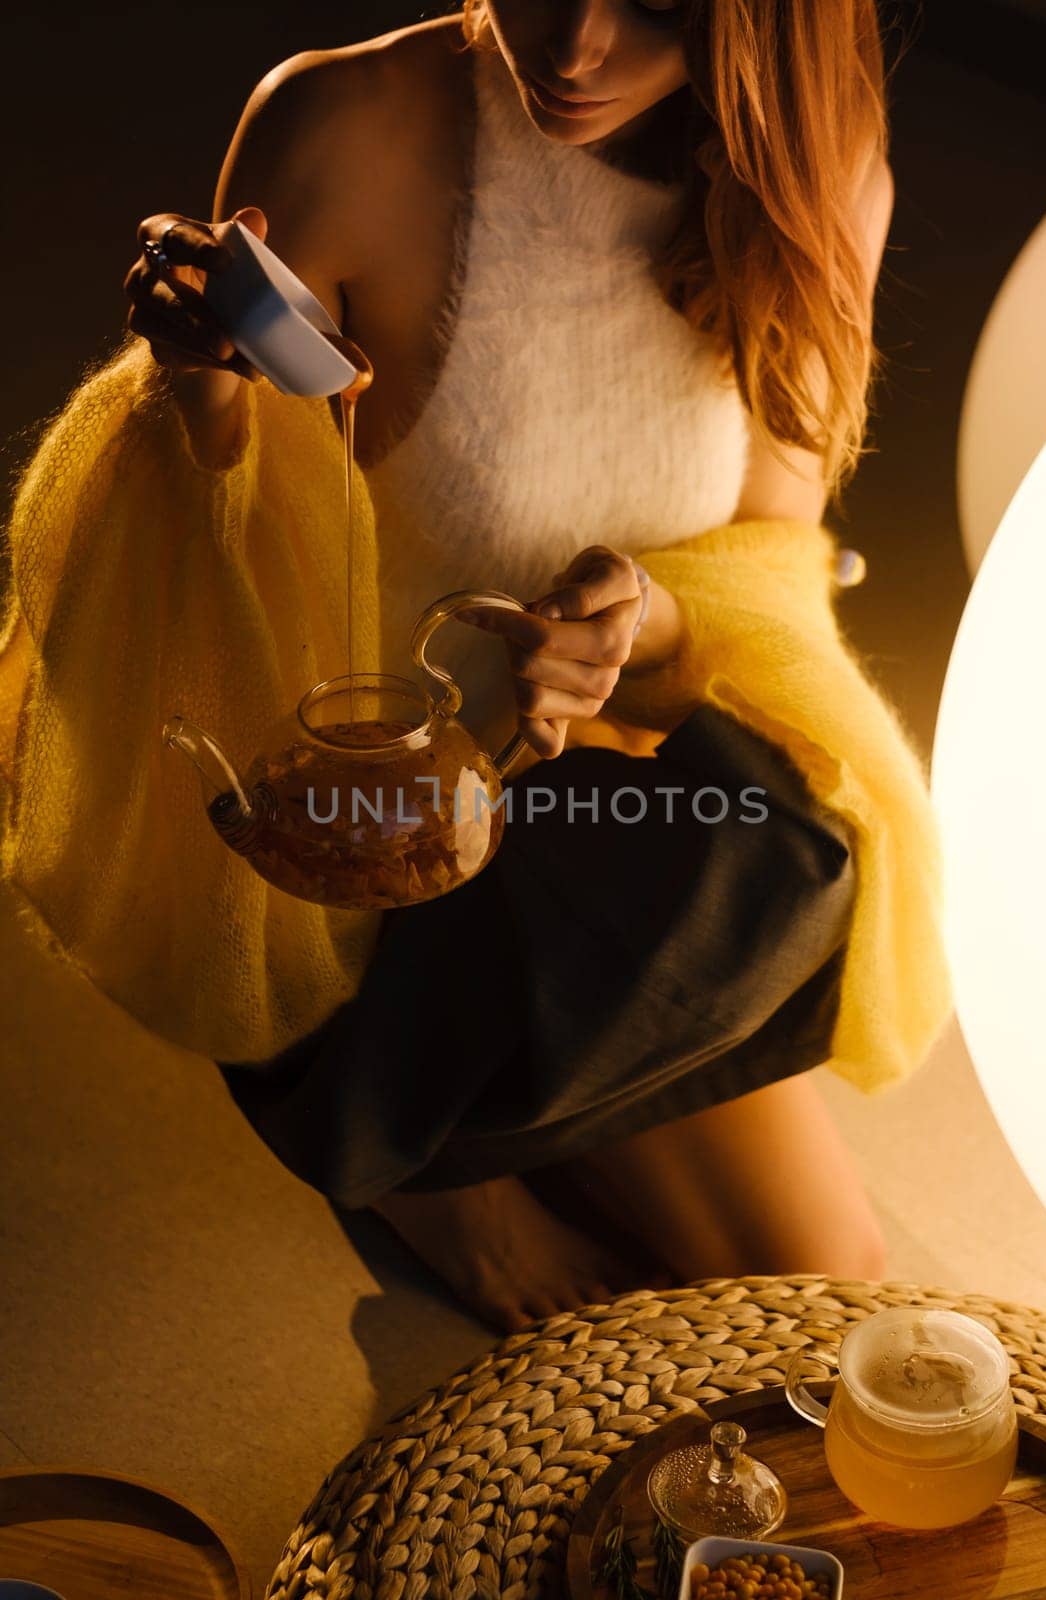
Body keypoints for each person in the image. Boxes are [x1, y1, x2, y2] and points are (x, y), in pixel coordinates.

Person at [116, 1, 901, 1331]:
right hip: (370, 818)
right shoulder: (350, 125)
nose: (575, 43)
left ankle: (469, 1108)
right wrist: (194, 395)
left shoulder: (814, 175)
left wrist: (634, 628)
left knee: (834, 1302)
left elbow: (771, 571)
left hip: (598, 823)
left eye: (651, 2)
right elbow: (199, 613)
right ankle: (422, 1158)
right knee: (768, 1302)